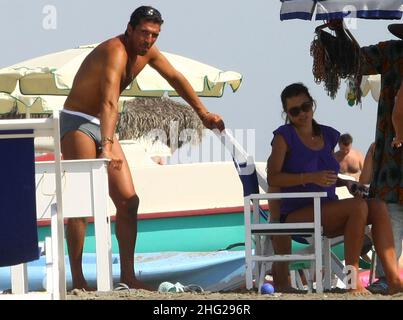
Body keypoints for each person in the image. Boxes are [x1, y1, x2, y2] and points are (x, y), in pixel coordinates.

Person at [60, 6, 225, 291]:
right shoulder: (115, 51)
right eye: (145, 33)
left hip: (103, 124)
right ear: (130, 28)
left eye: (155, 35)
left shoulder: (148, 53)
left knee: (129, 201)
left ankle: (127, 275)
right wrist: (108, 146)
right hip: (78, 121)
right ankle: (78, 279)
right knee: (81, 202)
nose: (149, 40)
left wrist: (203, 113)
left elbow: (175, 78)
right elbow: (109, 102)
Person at [266, 82, 403, 294]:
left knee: (376, 206)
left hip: (327, 209)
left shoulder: (328, 135)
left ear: (313, 104)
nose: (302, 114)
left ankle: (393, 278)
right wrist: (309, 177)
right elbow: (273, 176)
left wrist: (345, 182)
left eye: (306, 106)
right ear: (287, 113)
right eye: (295, 111)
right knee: (358, 207)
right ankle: (351, 281)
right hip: (296, 214)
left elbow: (326, 175)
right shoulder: (284, 136)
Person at [329, 20, 403, 294]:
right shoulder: (392, 52)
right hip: (393, 158)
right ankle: (386, 277)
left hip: (392, 156)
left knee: (391, 212)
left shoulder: (391, 52)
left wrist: (338, 32)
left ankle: (386, 277)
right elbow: (353, 61)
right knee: (391, 213)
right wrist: (339, 31)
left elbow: (352, 62)